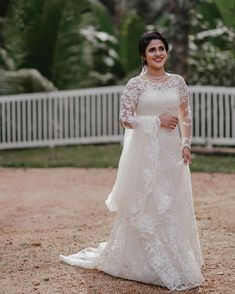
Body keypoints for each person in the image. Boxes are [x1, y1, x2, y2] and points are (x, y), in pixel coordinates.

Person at [59, 31, 204, 291]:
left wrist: (186, 144)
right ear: (143, 55)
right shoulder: (135, 85)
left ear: (166, 51)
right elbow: (125, 118)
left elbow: (185, 115)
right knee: (149, 203)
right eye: (152, 50)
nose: (158, 53)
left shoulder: (178, 82)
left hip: (171, 154)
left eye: (161, 48)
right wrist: (155, 120)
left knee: (171, 204)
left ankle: (178, 258)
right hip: (146, 156)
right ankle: (145, 263)